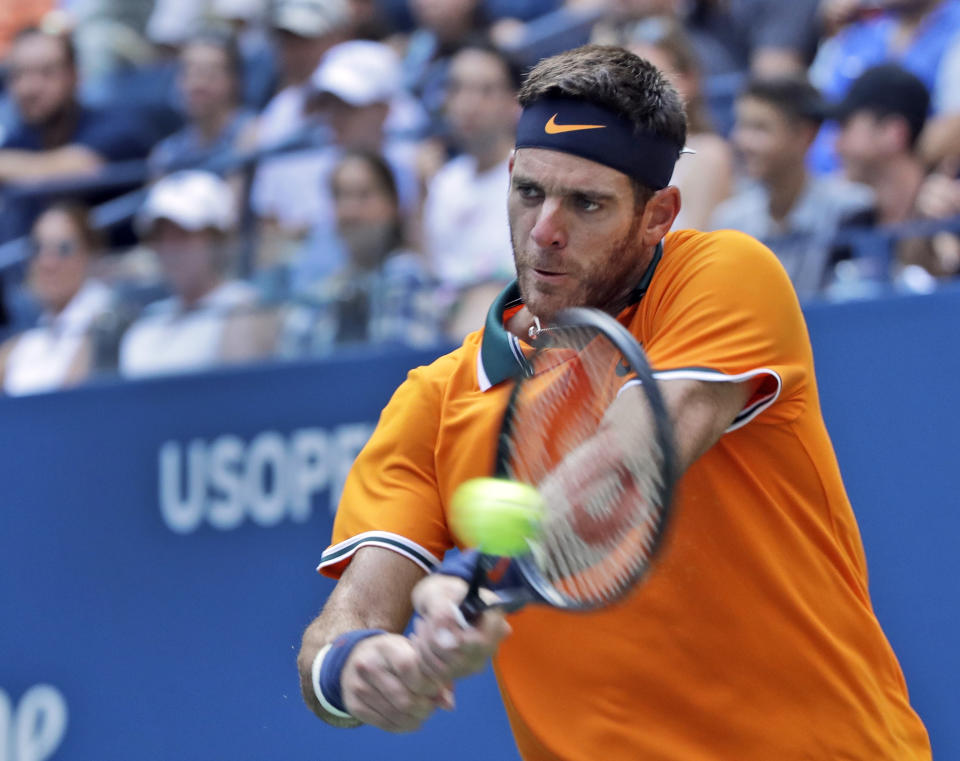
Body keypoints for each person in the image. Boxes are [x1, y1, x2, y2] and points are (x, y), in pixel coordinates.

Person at [296, 44, 931, 760]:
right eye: (530, 191)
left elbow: (626, 473)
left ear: (658, 213)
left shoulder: (724, 276)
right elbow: (344, 619)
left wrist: (479, 575)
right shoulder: (432, 401)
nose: (545, 231)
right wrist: (351, 668)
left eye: (586, 203)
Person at [710, 76, 873, 298]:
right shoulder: (730, 222)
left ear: (805, 135)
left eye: (759, 128)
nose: (742, 141)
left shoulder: (850, 210)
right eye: (741, 125)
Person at [279, 150, 439, 355]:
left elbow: (398, 366)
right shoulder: (316, 293)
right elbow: (295, 371)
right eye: (340, 196)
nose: (350, 210)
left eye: (364, 195)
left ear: (392, 205)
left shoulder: (407, 273)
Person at [119, 170, 273, 377]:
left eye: (183, 235)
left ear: (217, 240)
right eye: (161, 236)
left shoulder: (242, 308)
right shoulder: (148, 321)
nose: (170, 248)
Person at [420, 40, 522, 336]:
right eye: (456, 89)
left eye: (485, 91)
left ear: (514, 102)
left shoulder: (534, 174)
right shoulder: (442, 182)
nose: (468, 103)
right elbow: (434, 269)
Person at [624, 15, 734, 231]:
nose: (637, 91)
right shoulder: (622, 153)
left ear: (688, 79)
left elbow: (698, 246)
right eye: (629, 79)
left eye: (652, 77)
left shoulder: (709, 154)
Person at [0, 202, 113, 395]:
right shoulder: (27, 341)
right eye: (37, 248)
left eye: (63, 249)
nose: (46, 262)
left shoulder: (111, 322)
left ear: (91, 255)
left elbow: (71, 405)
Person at [148, 29, 257, 176]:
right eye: (189, 71)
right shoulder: (168, 153)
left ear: (235, 80)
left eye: (210, 73)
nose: (197, 83)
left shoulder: (254, 134)